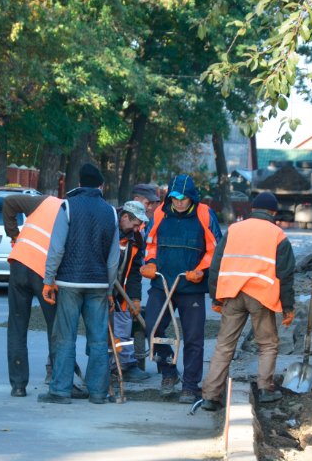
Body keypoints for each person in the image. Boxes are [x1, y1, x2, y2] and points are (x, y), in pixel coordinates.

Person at [200, 192, 296, 411]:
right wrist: (287, 307)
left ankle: (210, 397)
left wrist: (215, 297)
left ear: (252, 209)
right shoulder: (277, 234)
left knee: (224, 346)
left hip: (232, 294)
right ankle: (265, 389)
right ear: (273, 212)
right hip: (261, 295)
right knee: (268, 344)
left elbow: (216, 264)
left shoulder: (234, 229)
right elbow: (285, 274)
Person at [42, 164, 120, 404]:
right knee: (98, 340)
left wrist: (48, 280)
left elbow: (57, 248)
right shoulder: (111, 212)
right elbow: (113, 259)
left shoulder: (67, 207)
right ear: (100, 186)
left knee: (65, 337)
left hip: (69, 282)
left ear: (78, 184)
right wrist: (108, 290)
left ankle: (60, 391)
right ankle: (98, 393)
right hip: (98, 285)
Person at [141, 174, 221, 404]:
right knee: (153, 328)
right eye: (174, 198)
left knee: (194, 337)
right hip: (162, 283)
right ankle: (168, 372)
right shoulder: (159, 213)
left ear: (192, 198)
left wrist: (201, 270)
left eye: (183, 198)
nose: (178, 202)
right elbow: (150, 243)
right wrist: (151, 262)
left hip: (190, 284)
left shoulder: (205, 214)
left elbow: (215, 249)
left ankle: (190, 386)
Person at [4, 188, 85, 397]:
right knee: (56, 329)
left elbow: (9, 202)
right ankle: (59, 382)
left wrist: (14, 235)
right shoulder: (76, 214)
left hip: (20, 264)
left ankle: (18, 386)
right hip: (44, 274)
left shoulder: (45, 202)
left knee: (17, 326)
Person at [111, 200, 152, 382]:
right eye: (135, 225)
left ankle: (125, 366)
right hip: (100, 288)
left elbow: (135, 272)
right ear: (125, 217)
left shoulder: (136, 239)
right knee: (101, 330)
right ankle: (105, 366)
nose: (137, 229)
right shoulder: (108, 228)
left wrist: (135, 299)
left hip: (121, 290)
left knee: (124, 323)